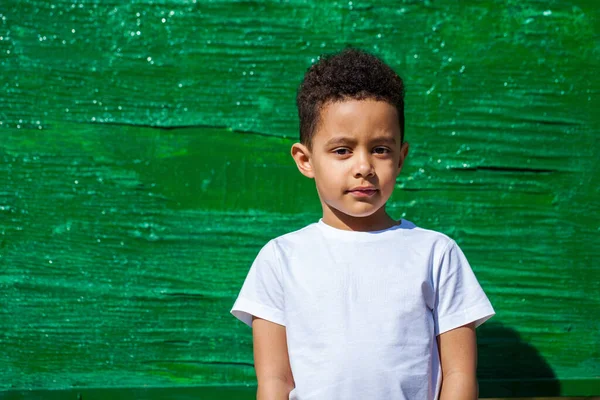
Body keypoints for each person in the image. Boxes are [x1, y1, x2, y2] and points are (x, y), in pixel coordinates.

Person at [230, 47, 495, 400]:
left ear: (401, 158)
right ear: (305, 160)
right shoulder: (280, 259)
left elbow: (460, 374)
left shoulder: (436, 253)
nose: (364, 166)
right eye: (342, 150)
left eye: (381, 149)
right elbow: (275, 381)